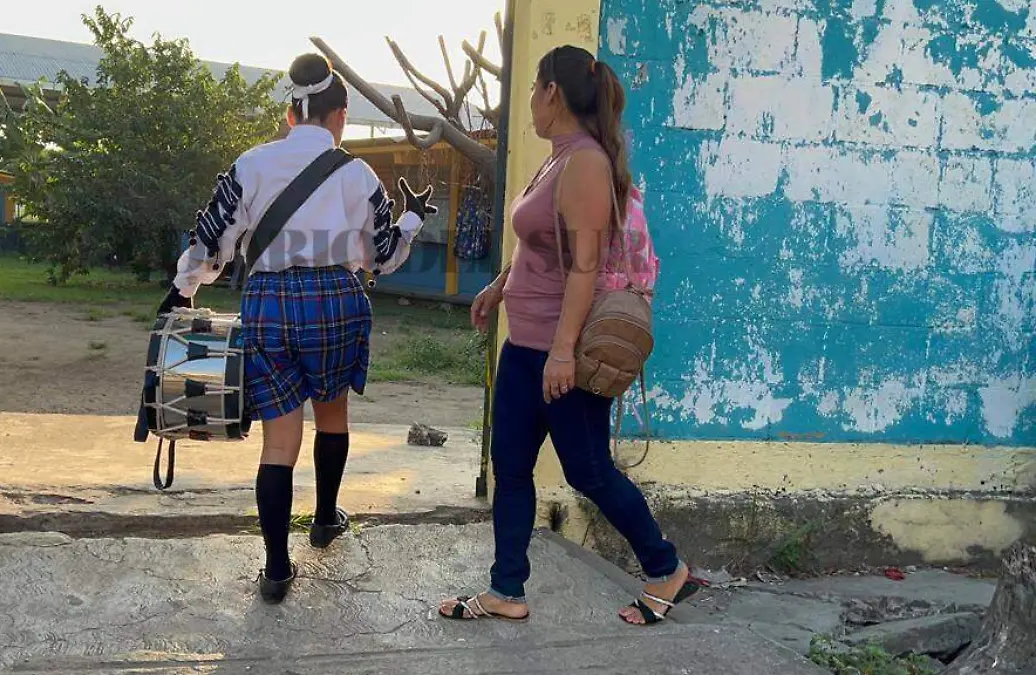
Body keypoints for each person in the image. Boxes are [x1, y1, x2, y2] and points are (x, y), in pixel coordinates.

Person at [157, 53, 438, 604]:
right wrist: (412, 218)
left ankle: (278, 567)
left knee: (280, 438)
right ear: (342, 115)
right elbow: (381, 256)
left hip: (269, 303)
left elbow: (210, 238)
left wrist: (183, 288)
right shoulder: (357, 174)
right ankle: (326, 519)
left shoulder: (250, 165)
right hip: (336, 302)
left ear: (291, 114)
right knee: (332, 415)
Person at [437, 45, 699, 626]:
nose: (529, 99)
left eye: (533, 87)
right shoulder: (555, 159)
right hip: (524, 345)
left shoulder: (586, 163)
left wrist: (562, 352)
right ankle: (507, 589)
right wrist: (501, 285)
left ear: (551, 92)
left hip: (562, 354)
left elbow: (585, 266)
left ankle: (665, 569)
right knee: (511, 467)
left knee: (588, 472)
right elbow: (541, 242)